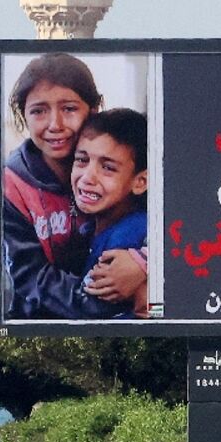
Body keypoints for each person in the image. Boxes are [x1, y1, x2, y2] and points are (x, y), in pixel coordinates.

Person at [1, 53, 137, 319]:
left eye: (69, 109)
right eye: (39, 111)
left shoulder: (123, 167)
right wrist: (108, 302)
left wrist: (143, 269)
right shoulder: (12, 186)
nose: (56, 125)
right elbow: (31, 278)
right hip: (42, 335)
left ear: (94, 109)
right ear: (23, 115)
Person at [72, 109, 150, 318]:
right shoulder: (89, 227)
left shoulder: (129, 235)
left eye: (107, 167)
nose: (88, 177)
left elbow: (94, 312)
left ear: (140, 182)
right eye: (81, 160)